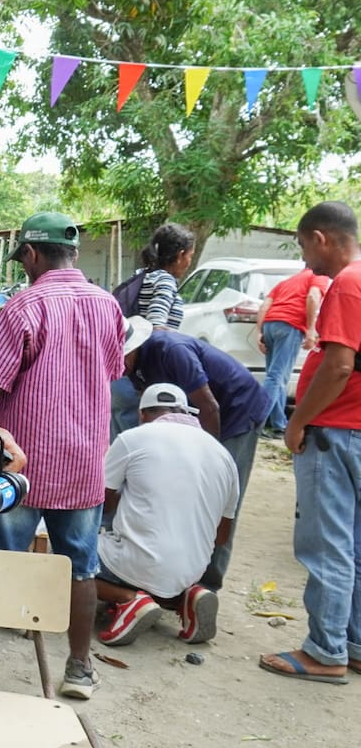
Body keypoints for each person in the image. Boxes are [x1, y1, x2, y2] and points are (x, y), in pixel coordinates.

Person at [0, 212, 124, 700]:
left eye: (23, 256)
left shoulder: (24, 306)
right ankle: (80, 668)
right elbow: (110, 369)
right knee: (80, 564)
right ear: (74, 254)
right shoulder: (108, 306)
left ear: (33, 254)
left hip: (23, 462)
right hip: (84, 461)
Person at [260, 201, 361, 685]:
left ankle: (325, 649)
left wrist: (298, 421)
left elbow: (339, 365)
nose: (305, 260)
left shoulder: (347, 282)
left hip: (336, 429)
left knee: (327, 545)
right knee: (355, 546)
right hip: (356, 429)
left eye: (303, 246)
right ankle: (353, 642)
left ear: (320, 237)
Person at [121, 316, 268, 592]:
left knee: (219, 497)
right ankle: (176, 574)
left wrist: (205, 458)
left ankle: (207, 584)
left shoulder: (171, 350)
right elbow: (151, 416)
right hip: (196, 417)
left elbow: (209, 406)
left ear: (132, 347)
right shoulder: (135, 366)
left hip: (236, 411)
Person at [97, 383, 239, 647]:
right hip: (193, 569)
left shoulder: (133, 438)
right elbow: (222, 537)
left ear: (142, 415)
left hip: (135, 564)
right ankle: (186, 597)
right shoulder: (224, 455)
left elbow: (101, 504)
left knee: (69, 561)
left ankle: (127, 599)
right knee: (161, 571)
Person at [110, 222, 196, 439]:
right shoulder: (165, 280)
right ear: (180, 255)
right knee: (142, 444)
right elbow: (156, 327)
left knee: (119, 443)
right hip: (139, 378)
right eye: (190, 256)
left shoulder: (142, 275)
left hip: (119, 373)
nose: (189, 263)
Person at [256, 266, 329, 437]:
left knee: (278, 376)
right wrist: (311, 330)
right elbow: (313, 296)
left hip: (270, 324)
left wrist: (260, 332)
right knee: (276, 376)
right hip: (290, 325)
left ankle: (279, 424)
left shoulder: (286, 282)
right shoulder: (319, 275)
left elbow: (264, 306)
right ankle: (255, 423)